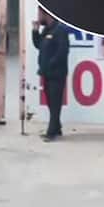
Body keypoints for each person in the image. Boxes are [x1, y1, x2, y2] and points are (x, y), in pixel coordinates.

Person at [32, 7, 70, 141]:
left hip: (56, 73)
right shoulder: (46, 30)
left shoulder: (60, 30)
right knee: (50, 102)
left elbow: (62, 52)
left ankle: (51, 132)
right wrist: (35, 31)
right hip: (47, 73)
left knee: (55, 103)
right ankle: (57, 127)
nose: (38, 18)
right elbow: (39, 45)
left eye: (39, 14)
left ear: (46, 14)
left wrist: (50, 64)